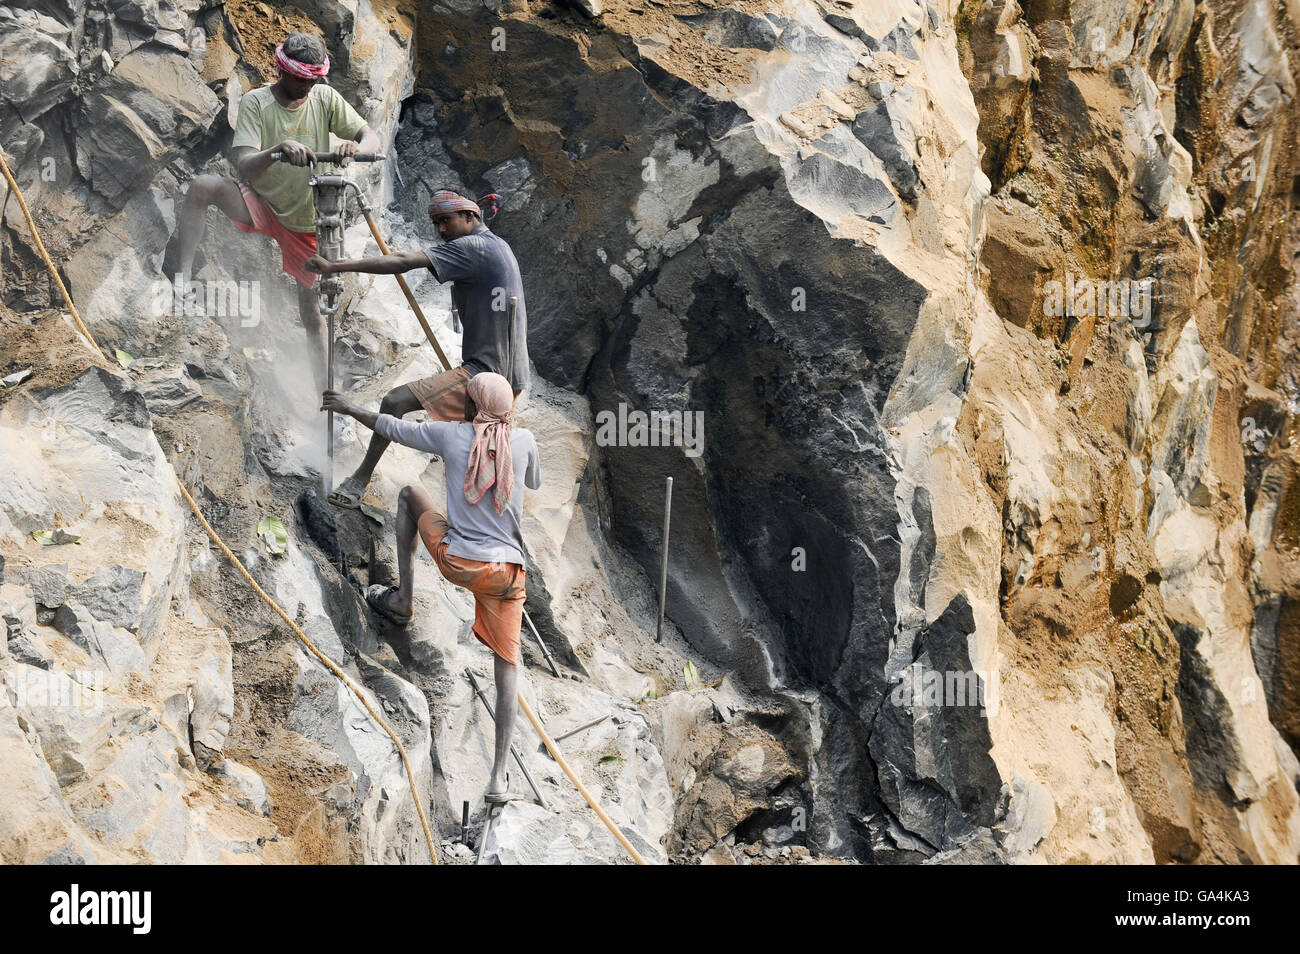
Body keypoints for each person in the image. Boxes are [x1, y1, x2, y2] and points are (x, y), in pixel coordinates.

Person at [321, 372, 542, 803]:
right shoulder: (526, 440)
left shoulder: (451, 435)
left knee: (409, 494)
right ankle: (498, 778)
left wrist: (349, 407)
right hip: (508, 573)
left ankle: (402, 599)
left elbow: (394, 427)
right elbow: (533, 483)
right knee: (507, 664)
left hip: (460, 562)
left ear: (474, 405)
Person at [171, 31, 381, 391]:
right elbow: (245, 164)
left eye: (313, 80)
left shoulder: (325, 98)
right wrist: (277, 151)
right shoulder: (257, 103)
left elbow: (370, 138)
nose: (307, 87)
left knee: (312, 315)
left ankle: (325, 398)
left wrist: (353, 146)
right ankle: (182, 276)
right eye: (301, 79)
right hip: (264, 203)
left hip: (310, 221)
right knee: (203, 187)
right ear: (281, 70)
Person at [304, 189, 529, 510]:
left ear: (470, 217)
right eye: (436, 223)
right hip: (511, 377)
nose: (440, 230)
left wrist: (335, 266)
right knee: (478, 447)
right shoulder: (498, 246)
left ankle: (359, 479)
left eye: (445, 221)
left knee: (394, 401)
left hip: (487, 375)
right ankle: (486, 515)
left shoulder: (472, 247)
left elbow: (403, 261)